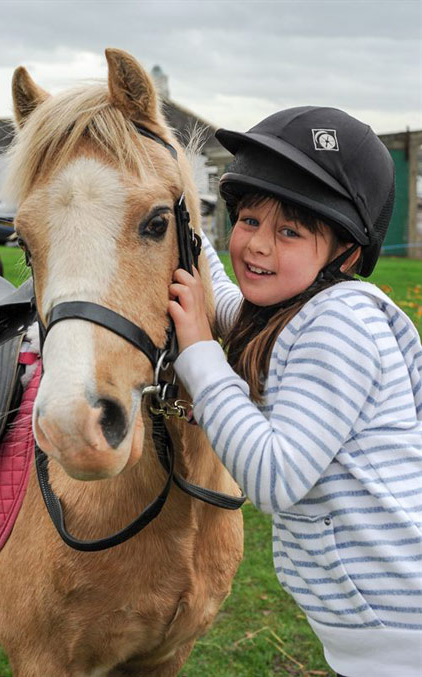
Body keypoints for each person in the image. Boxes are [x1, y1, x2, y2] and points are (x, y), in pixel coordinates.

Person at [168, 106, 422, 677]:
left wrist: (199, 355)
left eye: (289, 231)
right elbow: (234, 309)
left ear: (347, 253)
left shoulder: (337, 327)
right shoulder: (298, 310)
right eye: (249, 219)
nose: (257, 244)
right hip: (379, 628)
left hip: (402, 627)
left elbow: (275, 477)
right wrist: (183, 220)